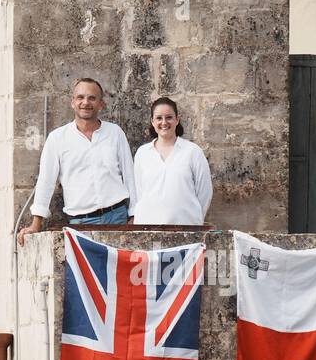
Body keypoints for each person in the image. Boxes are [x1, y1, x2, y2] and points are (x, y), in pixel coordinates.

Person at [18, 78, 136, 246]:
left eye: (92, 98)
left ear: (101, 104)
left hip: (117, 217)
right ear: (72, 102)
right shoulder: (57, 138)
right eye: (80, 97)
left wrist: (134, 215)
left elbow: (129, 176)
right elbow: (46, 182)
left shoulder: (115, 133)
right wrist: (36, 224)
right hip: (80, 223)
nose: (85, 102)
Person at [131, 97, 213, 226]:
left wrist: (192, 220)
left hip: (185, 228)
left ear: (177, 120)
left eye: (169, 117)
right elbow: (138, 192)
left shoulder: (192, 151)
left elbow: (204, 193)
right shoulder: (142, 153)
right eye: (159, 118)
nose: (164, 122)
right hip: (147, 228)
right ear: (152, 121)